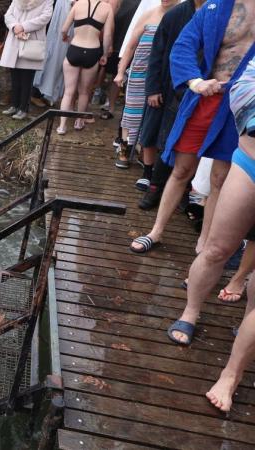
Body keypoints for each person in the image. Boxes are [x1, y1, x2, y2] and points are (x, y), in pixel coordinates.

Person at [129, 0, 255, 257]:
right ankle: (157, 230)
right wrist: (194, 80)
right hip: (205, 98)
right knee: (182, 169)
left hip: (240, 106)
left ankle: (205, 243)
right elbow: (184, 44)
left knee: (220, 178)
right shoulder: (218, 7)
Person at [200, 61, 255, 412]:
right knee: (216, 248)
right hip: (251, 162)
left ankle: (231, 375)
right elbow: (241, 90)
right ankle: (191, 311)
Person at [136, 0, 204, 208]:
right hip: (167, 85)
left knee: (187, 142)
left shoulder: (219, 13)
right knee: (157, 134)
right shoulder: (175, 14)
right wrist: (153, 88)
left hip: (199, 89)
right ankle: (154, 184)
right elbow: (157, 53)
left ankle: (184, 189)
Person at [113, 0, 175, 168]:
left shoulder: (180, 15)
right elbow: (131, 46)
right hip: (139, 71)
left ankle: (144, 149)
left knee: (151, 115)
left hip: (162, 76)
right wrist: (120, 72)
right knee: (132, 109)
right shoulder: (150, 13)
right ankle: (124, 148)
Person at [56, 0, 113, 134]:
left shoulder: (78, 4)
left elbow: (64, 29)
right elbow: (108, 35)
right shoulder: (107, 8)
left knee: (68, 92)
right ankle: (79, 121)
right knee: (84, 92)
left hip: (75, 48)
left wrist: (65, 37)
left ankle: (62, 126)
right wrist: (104, 54)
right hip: (92, 51)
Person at [0, 0, 53, 120]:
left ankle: (23, 108)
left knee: (27, 79)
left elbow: (45, 17)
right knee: (15, 76)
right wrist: (14, 26)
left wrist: (23, 26)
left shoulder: (46, 1)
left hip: (31, 42)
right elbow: (8, 15)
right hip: (15, 40)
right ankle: (14, 105)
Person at [98, 0, 140, 120]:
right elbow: (110, 19)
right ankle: (104, 101)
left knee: (119, 77)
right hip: (115, 41)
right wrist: (109, 42)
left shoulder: (143, 4)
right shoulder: (121, 2)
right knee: (107, 73)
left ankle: (112, 107)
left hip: (128, 45)